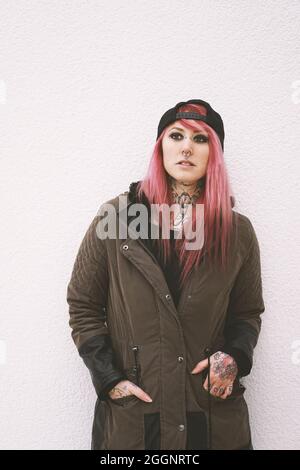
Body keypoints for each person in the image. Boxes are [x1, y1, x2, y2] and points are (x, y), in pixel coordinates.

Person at [66, 99, 265, 450]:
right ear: (160, 148)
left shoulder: (237, 232)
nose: (186, 147)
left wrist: (234, 356)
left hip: (209, 415)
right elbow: (83, 304)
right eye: (176, 136)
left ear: (214, 155)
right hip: (136, 418)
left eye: (200, 139)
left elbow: (247, 313)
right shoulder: (117, 219)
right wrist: (109, 378)